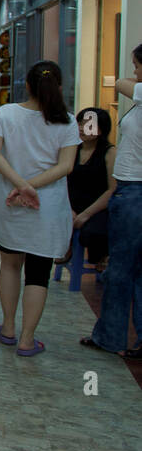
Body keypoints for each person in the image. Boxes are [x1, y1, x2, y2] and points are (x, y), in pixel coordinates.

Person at [0, 61, 80, 356]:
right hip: (46, 205)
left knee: (9, 263)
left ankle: (7, 328)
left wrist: (19, 185)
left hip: (9, 200)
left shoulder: (6, 113)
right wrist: (31, 187)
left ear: (28, 86)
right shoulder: (67, 121)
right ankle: (27, 340)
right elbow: (66, 166)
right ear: (57, 87)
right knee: (38, 273)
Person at [84, 44, 142, 359]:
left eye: (137, 65)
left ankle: (111, 337)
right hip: (133, 190)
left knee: (120, 269)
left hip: (134, 192)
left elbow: (120, 83)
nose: (133, 72)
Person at [61, 107, 114, 271]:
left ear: (101, 130)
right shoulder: (71, 149)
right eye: (80, 123)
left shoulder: (110, 152)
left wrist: (86, 214)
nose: (82, 128)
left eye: (88, 124)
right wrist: (67, 208)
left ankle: (102, 257)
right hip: (71, 204)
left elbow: (112, 190)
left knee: (94, 232)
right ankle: (65, 246)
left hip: (98, 206)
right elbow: (62, 180)